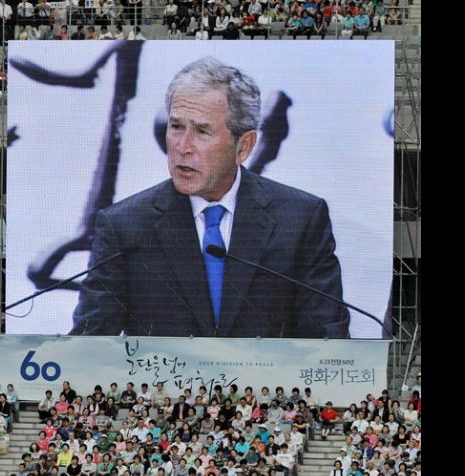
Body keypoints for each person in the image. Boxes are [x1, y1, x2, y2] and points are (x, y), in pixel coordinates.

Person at [71, 56, 350, 338]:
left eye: (202, 131)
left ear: (243, 147)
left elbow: (328, 342)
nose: (182, 147)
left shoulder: (300, 221)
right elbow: (88, 346)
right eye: (176, 127)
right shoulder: (125, 227)